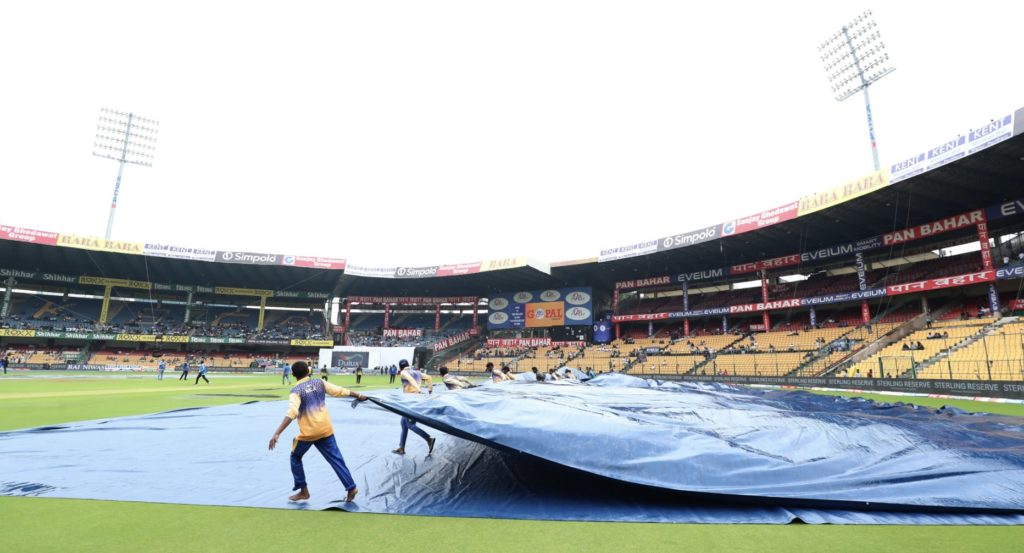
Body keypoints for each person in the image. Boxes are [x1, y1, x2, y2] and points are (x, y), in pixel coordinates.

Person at [268, 361, 368, 503]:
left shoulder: (296, 391)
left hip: (309, 433)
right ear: (308, 371)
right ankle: (351, 487)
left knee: (295, 457)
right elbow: (339, 391)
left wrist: (277, 432)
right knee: (336, 459)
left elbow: (292, 412)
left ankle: (303, 490)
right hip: (325, 429)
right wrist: (357, 394)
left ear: (293, 375)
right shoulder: (319, 382)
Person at [392, 360, 436, 456]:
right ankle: (401, 448)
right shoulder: (417, 372)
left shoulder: (403, 372)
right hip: (416, 400)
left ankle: (429, 439)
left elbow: (410, 379)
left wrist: (419, 390)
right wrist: (430, 390)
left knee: (409, 424)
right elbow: (429, 377)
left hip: (410, 401)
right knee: (403, 423)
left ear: (400, 367)